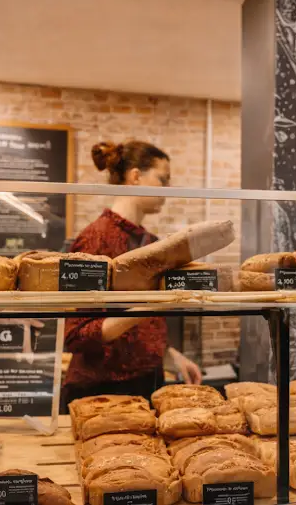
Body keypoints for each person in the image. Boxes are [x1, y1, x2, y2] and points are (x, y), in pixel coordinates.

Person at [62, 140, 202, 406]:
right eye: (162, 179)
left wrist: (168, 354)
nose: (167, 190)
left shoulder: (151, 241)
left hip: (147, 382)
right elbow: (77, 335)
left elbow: (141, 330)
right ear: (136, 176)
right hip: (101, 392)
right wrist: (146, 308)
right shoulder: (94, 240)